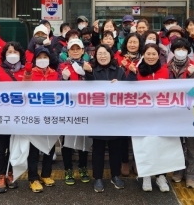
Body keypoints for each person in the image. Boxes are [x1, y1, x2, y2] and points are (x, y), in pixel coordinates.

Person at [85, 44, 132, 192]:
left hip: (115, 116)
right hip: (97, 116)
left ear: (111, 55)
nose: (102, 56)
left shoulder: (119, 71)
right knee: (98, 148)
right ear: (95, 56)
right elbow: (87, 90)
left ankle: (115, 175)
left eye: (105, 53)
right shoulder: (91, 71)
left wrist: (120, 86)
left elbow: (127, 92)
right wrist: (89, 74)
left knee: (115, 147)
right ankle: (98, 178)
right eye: (99, 53)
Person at [136, 43, 171, 193]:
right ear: (143, 55)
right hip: (142, 115)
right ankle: (146, 175)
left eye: (154, 54)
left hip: (161, 116)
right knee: (145, 145)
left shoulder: (165, 71)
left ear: (159, 55)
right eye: (148, 54)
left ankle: (161, 176)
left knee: (161, 145)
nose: (151, 57)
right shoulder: (136, 71)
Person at [166, 38, 194, 188]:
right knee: (177, 143)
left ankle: (192, 174)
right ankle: (178, 170)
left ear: (188, 51)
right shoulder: (167, 67)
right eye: (178, 48)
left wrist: (193, 74)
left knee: (191, 143)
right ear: (173, 51)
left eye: (184, 49)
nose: (181, 51)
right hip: (173, 110)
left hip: (190, 110)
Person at [23, 47, 58, 192]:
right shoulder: (30, 72)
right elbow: (24, 87)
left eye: (45, 57)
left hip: (51, 115)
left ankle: (46, 174)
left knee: (50, 146)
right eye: (39, 57)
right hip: (34, 115)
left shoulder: (55, 74)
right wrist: (28, 73)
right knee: (34, 148)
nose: (42, 60)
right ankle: (33, 178)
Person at [0, 41, 26, 192]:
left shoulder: (26, 71)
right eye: (9, 52)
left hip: (19, 116)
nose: (12, 54)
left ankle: (10, 173)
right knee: (0, 147)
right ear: (4, 55)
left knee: (14, 147)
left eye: (15, 52)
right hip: (1, 115)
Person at [59, 39, 93, 185]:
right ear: (68, 51)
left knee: (84, 139)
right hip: (68, 109)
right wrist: (63, 79)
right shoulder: (63, 66)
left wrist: (89, 72)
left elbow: (95, 85)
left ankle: (83, 167)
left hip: (85, 108)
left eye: (77, 48)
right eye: (72, 49)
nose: (75, 51)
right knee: (67, 140)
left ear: (83, 51)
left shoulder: (89, 65)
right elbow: (57, 88)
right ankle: (68, 169)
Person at [115, 32, 143, 175]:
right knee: (123, 135)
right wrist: (122, 68)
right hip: (121, 100)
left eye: (135, 42)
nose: (132, 45)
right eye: (130, 42)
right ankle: (124, 161)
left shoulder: (144, 58)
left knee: (137, 133)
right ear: (126, 44)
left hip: (139, 100)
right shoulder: (118, 57)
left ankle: (137, 161)